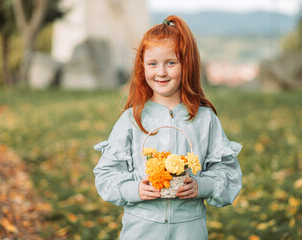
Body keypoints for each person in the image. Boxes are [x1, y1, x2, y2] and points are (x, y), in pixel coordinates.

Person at [93, 15, 242, 240]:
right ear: (142, 67)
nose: (161, 72)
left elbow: (228, 173)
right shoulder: (132, 119)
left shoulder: (204, 118)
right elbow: (107, 174)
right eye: (153, 63)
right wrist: (134, 190)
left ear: (186, 65)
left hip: (189, 229)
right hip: (141, 228)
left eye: (171, 63)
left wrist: (203, 186)